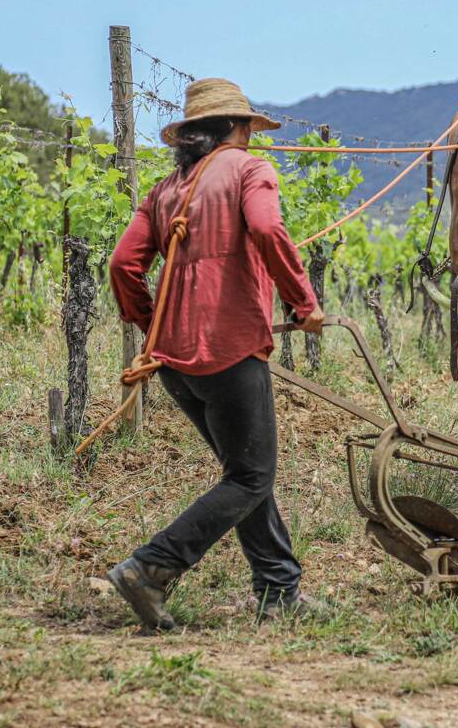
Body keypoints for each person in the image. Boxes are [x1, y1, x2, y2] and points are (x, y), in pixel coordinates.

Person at [107, 77, 326, 630]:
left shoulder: (165, 190)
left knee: (245, 474)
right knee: (250, 477)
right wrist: (303, 303)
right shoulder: (250, 170)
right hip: (229, 350)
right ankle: (150, 567)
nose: (251, 137)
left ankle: (278, 589)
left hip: (173, 362)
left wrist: (151, 322)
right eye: (248, 127)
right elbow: (267, 227)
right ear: (234, 128)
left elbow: (123, 265)